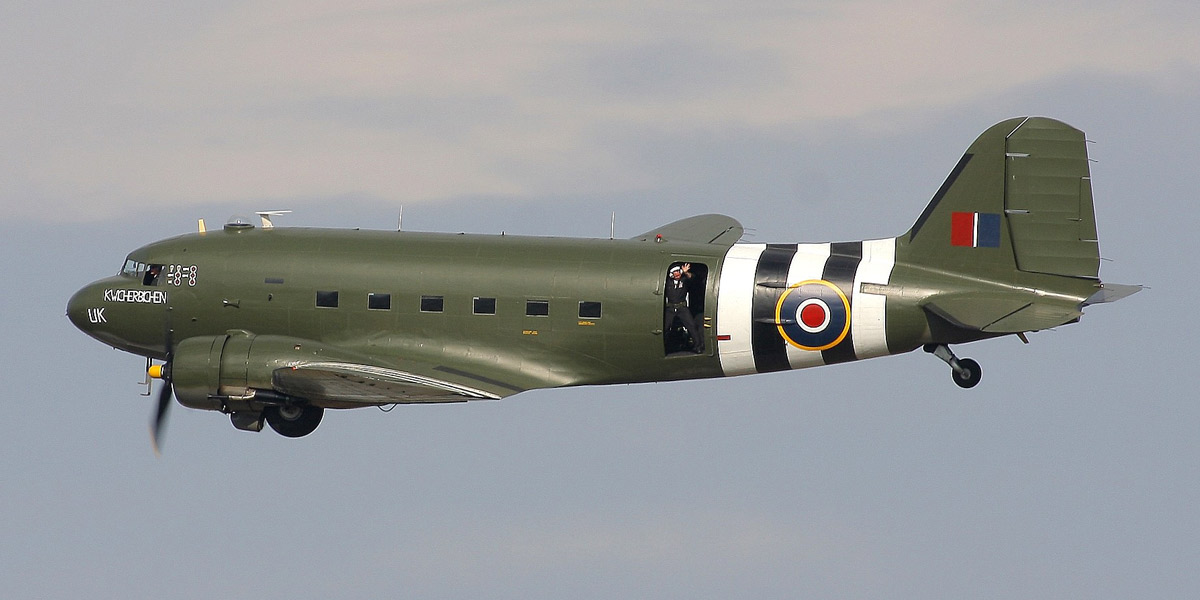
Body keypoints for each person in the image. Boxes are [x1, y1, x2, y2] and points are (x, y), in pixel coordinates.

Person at [664, 263, 704, 354]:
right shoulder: (668, 282)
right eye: (675, 272)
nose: (677, 274)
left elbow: (692, 277)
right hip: (670, 308)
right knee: (665, 327)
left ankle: (698, 346)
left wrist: (685, 272)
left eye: (678, 272)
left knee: (691, 326)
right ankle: (665, 346)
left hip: (682, 308)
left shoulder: (684, 280)